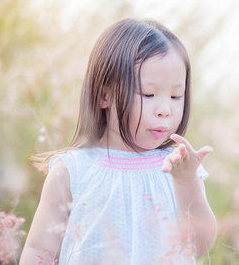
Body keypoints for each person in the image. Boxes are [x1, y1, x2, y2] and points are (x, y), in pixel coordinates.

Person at [20, 19, 217, 264]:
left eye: (176, 95)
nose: (165, 109)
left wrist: (187, 180)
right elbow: (39, 249)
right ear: (104, 95)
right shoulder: (74, 170)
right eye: (148, 94)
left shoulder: (179, 166)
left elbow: (200, 245)